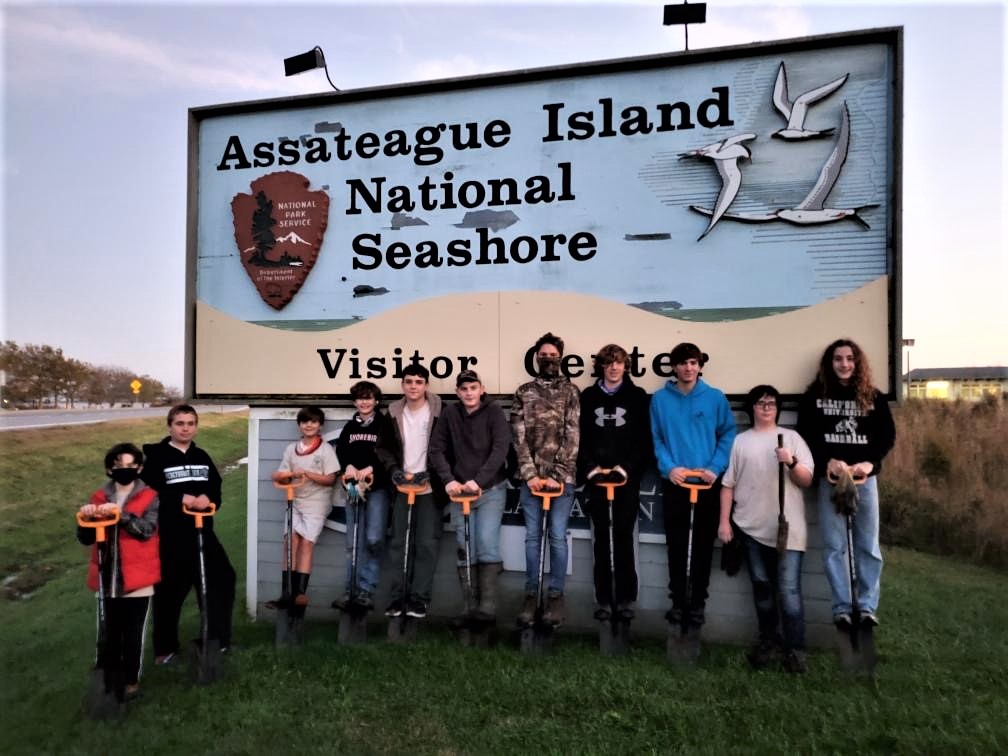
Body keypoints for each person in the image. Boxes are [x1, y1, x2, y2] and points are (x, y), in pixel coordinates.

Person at [797, 338, 895, 629]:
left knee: (868, 546)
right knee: (834, 546)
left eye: (850, 359)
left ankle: (866, 606)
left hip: (864, 481)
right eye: (838, 359)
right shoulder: (814, 397)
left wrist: (870, 464)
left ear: (857, 362)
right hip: (832, 480)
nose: (844, 364)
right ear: (830, 363)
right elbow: (806, 436)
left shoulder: (873, 397)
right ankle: (842, 606)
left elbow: (886, 437)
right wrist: (826, 459)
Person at [718, 385, 814, 673]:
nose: (766, 407)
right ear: (752, 408)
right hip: (749, 528)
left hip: (787, 531)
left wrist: (791, 462)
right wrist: (724, 521)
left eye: (771, 403)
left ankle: (796, 650)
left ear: (778, 408)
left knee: (788, 591)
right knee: (762, 589)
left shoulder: (793, 439)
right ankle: (768, 641)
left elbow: (807, 479)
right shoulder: (741, 441)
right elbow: (728, 484)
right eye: (760, 403)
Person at [650, 342, 736, 629]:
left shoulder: (714, 398)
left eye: (693, 363)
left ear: (700, 366)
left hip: (707, 483)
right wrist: (670, 467)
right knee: (676, 545)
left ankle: (697, 603)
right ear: (674, 367)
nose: (688, 368)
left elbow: (727, 434)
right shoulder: (660, 400)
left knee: (701, 545)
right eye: (683, 363)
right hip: (676, 482)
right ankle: (678, 602)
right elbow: (657, 438)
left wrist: (714, 468)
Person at [141, 405, 236, 665]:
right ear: (169, 425)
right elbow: (149, 491)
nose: (185, 428)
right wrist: (180, 497)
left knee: (222, 579)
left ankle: (216, 640)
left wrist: (209, 497)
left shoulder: (202, 455)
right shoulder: (157, 457)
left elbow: (215, 487)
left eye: (191, 423)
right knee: (170, 590)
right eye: (180, 423)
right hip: (171, 535)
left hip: (203, 532)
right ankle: (165, 648)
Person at [77, 443, 160, 702]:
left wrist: (120, 515)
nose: (124, 470)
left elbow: (147, 530)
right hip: (107, 578)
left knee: (132, 634)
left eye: (130, 465)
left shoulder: (150, 496)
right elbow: (86, 538)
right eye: (118, 466)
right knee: (108, 633)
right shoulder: (99, 497)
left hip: (138, 580)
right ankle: (108, 679)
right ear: (109, 468)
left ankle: (131, 681)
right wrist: (88, 518)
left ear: (139, 467)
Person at [429, 369, 512, 622]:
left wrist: (479, 480)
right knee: (465, 548)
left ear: (481, 389)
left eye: (473, 388)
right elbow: (436, 449)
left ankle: (487, 609)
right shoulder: (450, 414)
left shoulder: (495, 412)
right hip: (459, 493)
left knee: (486, 544)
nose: (468, 393)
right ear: (457, 392)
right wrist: (449, 479)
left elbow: (501, 449)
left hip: (490, 490)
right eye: (463, 389)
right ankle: (468, 607)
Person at [577, 343, 652, 621]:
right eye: (608, 363)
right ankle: (604, 598)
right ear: (601, 367)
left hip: (625, 480)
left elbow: (645, 439)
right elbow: (579, 437)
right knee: (601, 539)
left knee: (623, 537)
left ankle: (625, 597)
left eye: (618, 362)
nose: (613, 367)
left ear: (625, 366)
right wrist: (590, 467)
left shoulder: (637, 396)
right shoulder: (588, 397)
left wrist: (628, 468)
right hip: (597, 478)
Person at [512, 332, 580, 626]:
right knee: (531, 537)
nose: (548, 359)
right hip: (531, 480)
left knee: (556, 537)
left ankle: (556, 596)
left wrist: (557, 475)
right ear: (536, 358)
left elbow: (573, 435)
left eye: (553, 355)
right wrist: (530, 475)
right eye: (544, 355)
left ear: (560, 358)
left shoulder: (571, 392)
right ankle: (531, 593)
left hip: (562, 482)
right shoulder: (524, 391)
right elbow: (518, 437)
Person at [376, 364, 446, 619]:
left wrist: (434, 472)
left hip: (429, 487)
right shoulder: (393, 412)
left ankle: (419, 599)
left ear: (426, 384)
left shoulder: (440, 411)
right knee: (398, 543)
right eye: (409, 381)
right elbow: (382, 448)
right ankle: (397, 598)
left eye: (419, 381)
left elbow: (448, 447)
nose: (413, 386)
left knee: (426, 544)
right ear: (403, 385)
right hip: (402, 485)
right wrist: (393, 469)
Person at [268, 405, 339, 614]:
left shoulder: (325, 450)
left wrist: (307, 474)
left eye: (314, 421)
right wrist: (282, 476)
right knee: (290, 542)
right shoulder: (291, 449)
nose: (309, 425)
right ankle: (286, 593)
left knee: (307, 543)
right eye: (305, 421)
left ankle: (300, 593)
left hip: (316, 503)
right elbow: (280, 474)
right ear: (299, 425)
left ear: (320, 425)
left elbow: (330, 479)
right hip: (295, 501)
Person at [332, 381, 397, 610]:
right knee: (353, 540)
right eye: (360, 398)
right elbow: (341, 452)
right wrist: (347, 466)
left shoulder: (384, 425)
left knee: (373, 539)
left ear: (376, 401)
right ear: (354, 402)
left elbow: (389, 453)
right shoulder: (350, 427)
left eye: (368, 398)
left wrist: (371, 469)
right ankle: (350, 590)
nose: (364, 402)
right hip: (353, 487)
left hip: (376, 487)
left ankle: (366, 588)